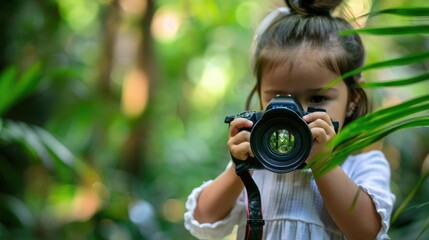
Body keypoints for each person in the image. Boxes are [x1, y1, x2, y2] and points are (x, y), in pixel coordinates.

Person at [184, 0, 395, 239]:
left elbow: (367, 232)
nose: (295, 112)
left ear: (353, 99)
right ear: (260, 94)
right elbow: (203, 219)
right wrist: (238, 169)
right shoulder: (258, 162)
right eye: (278, 97)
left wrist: (323, 162)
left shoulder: (362, 165)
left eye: (317, 98)